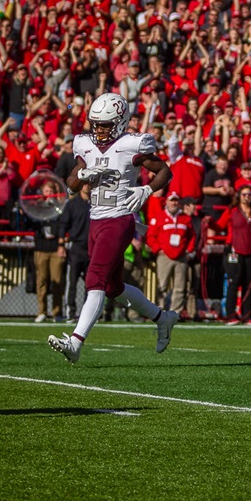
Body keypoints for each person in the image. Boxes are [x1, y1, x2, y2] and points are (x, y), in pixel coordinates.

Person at [47, 92, 179, 362]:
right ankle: (162, 318)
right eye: (95, 124)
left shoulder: (131, 144)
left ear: (120, 122)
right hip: (96, 219)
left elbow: (165, 171)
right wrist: (81, 175)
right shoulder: (84, 144)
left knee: (95, 278)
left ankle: (76, 342)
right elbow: (71, 185)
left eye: (105, 125)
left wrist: (147, 190)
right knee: (113, 287)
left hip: (119, 219)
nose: (98, 129)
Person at [211, 185, 251, 324]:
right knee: (234, 283)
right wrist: (209, 222)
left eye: (249, 195)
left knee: (249, 284)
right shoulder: (232, 211)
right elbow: (219, 226)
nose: (247, 197)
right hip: (235, 251)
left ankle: (247, 315)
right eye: (244, 194)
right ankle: (231, 314)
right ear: (239, 196)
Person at [147, 192, 196, 316]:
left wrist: (188, 249)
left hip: (181, 256)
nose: (174, 203)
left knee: (180, 286)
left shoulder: (185, 218)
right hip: (164, 256)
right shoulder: (159, 217)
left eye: (176, 200)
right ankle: (159, 311)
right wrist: (158, 249)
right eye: (172, 200)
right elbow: (151, 236)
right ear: (166, 202)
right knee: (162, 285)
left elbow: (192, 236)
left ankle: (175, 312)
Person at [31, 179, 66, 323]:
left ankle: (57, 312)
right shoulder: (38, 207)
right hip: (41, 247)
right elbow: (32, 222)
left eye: (51, 191)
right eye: (47, 191)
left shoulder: (59, 208)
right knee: (41, 280)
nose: (49, 193)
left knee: (57, 280)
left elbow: (63, 224)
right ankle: (42, 311)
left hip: (55, 248)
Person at [61, 183, 91, 321]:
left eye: (89, 183)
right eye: (84, 183)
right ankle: (70, 312)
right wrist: (61, 244)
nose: (87, 186)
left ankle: (87, 313)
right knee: (72, 282)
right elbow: (63, 224)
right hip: (76, 247)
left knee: (90, 284)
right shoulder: (72, 204)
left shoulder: (95, 204)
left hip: (91, 249)